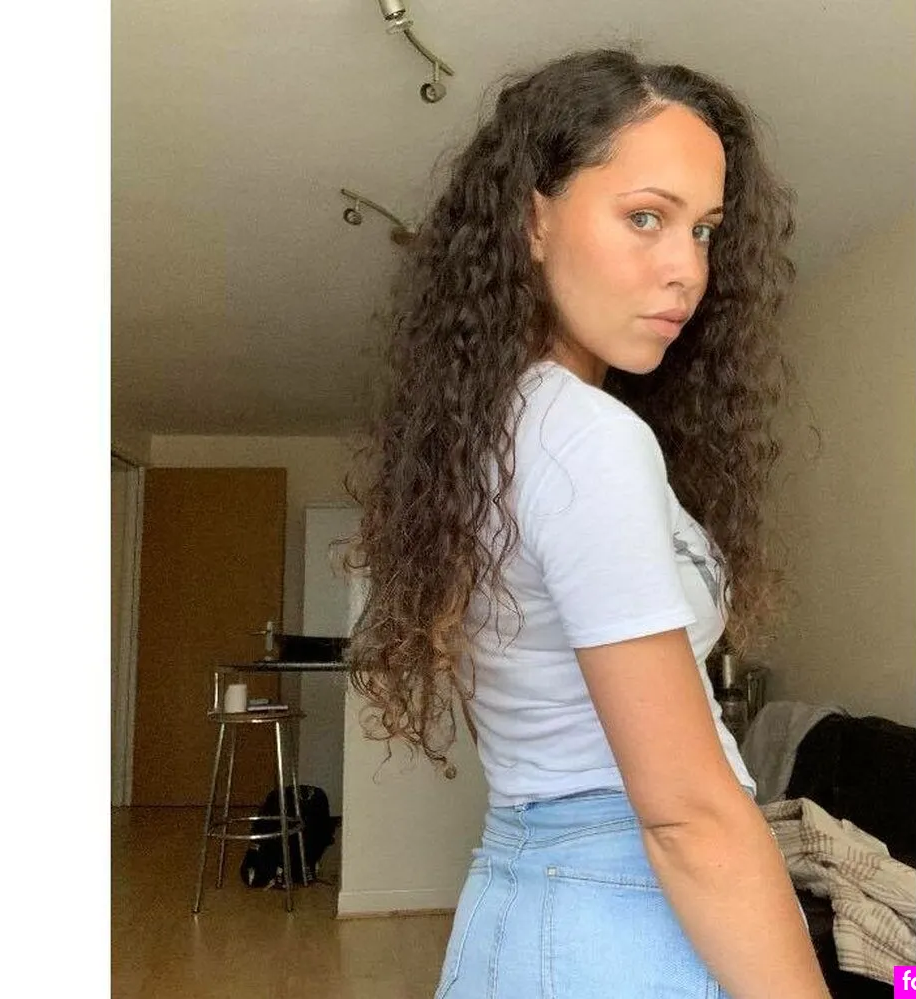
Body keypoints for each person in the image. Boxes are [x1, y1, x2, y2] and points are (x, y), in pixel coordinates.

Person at [345, 48, 831, 999]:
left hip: (530, 896)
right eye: (645, 216)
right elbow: (686, 815)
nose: (686, 268)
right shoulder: (584, 437)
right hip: (622, 913)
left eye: (704, 230)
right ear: (532, 219)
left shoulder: (501, 426)